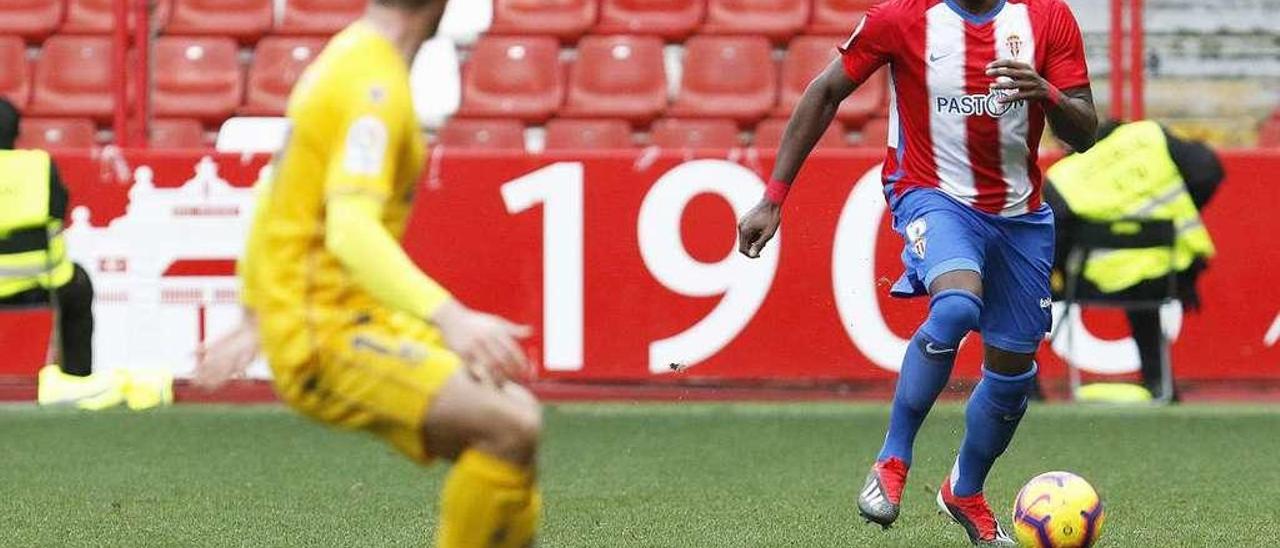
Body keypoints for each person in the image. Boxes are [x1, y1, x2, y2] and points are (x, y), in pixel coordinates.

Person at [736, 0, 1097, 545]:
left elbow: (1086, 128)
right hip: (933, 196)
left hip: (1021, 217)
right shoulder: (902, 18)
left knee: (1013, 371)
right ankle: (892, 461)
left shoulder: (1047, 17)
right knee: (955, 304)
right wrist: (773, 197)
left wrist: (1045, 91)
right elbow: (826, 91)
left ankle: (965, 492)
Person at [194, 1, 542, 546]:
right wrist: (451, 318)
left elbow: (278, 194)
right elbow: (350, 229)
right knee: (507, 427)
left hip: (336, 313)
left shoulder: (348, 57)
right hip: (323, 330)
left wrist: (254, 313)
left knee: (513, 422)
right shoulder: (373, 88)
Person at [1044, 120, 1224, 402]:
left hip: (1100, 282)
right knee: (1144, 288)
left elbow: (1054, 244)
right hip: (1171, 273)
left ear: (1060, 142)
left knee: (1020, 287)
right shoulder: (1146, 135)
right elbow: (1209, 170)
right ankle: (1159, 383)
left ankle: (1026, 388)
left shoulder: (1062, 178)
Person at [0, 98, 123, 409]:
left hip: (30, 282)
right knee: (79, 287)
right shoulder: (38, 165)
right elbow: (58, 212)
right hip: (38, 283)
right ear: (16, 132)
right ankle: (77, 382)